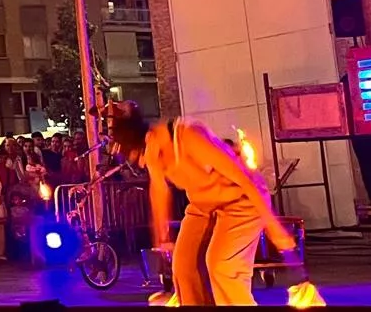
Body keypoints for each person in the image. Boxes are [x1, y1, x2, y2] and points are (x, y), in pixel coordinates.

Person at [105, 102, 295, 306]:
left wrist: (274, 228)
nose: (143, 163)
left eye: (140, 156)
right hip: (203, 205)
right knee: (184, 266)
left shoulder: (190, 137)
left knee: (222, 265)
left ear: (149, 138)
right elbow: (159, 191)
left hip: (241, 200)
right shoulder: (152, 152)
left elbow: (245, 179)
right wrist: (163, 238)